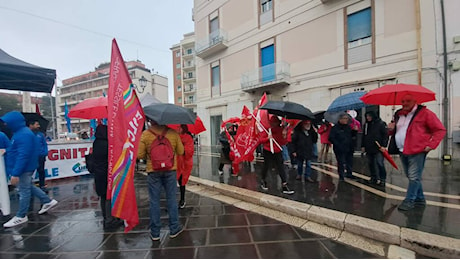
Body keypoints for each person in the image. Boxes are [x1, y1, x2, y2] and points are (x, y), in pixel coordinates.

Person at [387, 94, 446, 211]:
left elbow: (440, 130)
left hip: (417, 150)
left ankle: (409, 200)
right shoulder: (398, 114)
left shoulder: (426, 113)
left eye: (408, 101)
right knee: (411, 176)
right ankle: (420, 199)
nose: (404, 103)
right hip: (402, 149)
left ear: (415, 101)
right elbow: (394, 132)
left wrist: (431, 145)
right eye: (403, 101)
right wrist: (390, 129)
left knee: (414, 177)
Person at [1, 111, 57, 228]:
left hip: (23, 169)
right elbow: (19, 151)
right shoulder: (21, 133)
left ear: (13, 122)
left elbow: (24, 155)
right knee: (27, 187)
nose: (5, 125)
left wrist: (15, 173)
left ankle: (21, 216)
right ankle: (47, 201)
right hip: (23, 168)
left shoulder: (23, 134)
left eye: (7, 123)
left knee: (24, 191)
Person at [138, 119, 184, 241]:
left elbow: (139, 155)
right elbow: (181, 151)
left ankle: (155, 233)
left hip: (153, 171)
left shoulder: (146, 134)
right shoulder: (173, 133)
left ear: (151, 121)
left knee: (154, 201)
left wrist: (149, 155)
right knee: (171, 200)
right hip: (170, 170)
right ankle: (174, 229)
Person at [91, 124, 123, 229]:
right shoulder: (107, 144)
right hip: (107, 173)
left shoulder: (96, 143)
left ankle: (106, 218)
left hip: (98, 174)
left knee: (103, 196)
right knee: (109, 196)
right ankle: (110, 220)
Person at [260, 115, 294, 194]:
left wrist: (284, 136)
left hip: (277, 150)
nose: (274, 124)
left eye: (275, 123)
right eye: (273, 123)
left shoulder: (281, 130)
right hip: (267, 150)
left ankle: (284, 184)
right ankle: (263, 180)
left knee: (280, 167)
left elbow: (283, 143)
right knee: (266, 166)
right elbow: (260, 140)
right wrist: (267, 138)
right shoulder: (266, 129)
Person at [361, 111, 389, 187]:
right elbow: (364, 136)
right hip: (369, 147)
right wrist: (363, 146)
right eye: (367, 116)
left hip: (378, 147)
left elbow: (385, 135)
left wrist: (384, 145)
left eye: (369, 116)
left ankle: (382, 179)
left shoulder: (381, 124)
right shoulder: (366, 125)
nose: (368, 118)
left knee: (380, 163)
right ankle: (374, 177)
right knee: (370, 163)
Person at [329, 113, 357, 181]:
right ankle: (341, 175)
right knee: (341, 162)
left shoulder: (348, 127)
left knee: (349, 161)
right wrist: (338, 145)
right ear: (340, 119)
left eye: (347, 119)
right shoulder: (335, 128)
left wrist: (354, 131)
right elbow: (331, 138)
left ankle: (349, 173)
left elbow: (352, 136)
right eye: (344, 118)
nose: (346, 120)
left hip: (349, 147)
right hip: (340, 148)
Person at [176, 125, 194, 209]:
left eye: (179, 128)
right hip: (176, 162)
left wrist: (180, 147)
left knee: (182, 181)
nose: (177, 129)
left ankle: (182, 199)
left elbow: (189, 152)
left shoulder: (188, 138)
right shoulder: (175, 137)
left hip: (184, 164)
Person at [28, 120, 48, 192]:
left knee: (41, 171)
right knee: (29, 172)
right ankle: (28, 186)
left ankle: (42, 186)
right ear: (31, 125)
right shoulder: (28, 134)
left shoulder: (40, 134)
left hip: (41, 156)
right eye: (37, 124)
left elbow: (44, 144)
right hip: (32, 157)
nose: (38, 126)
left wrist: (45, 152)